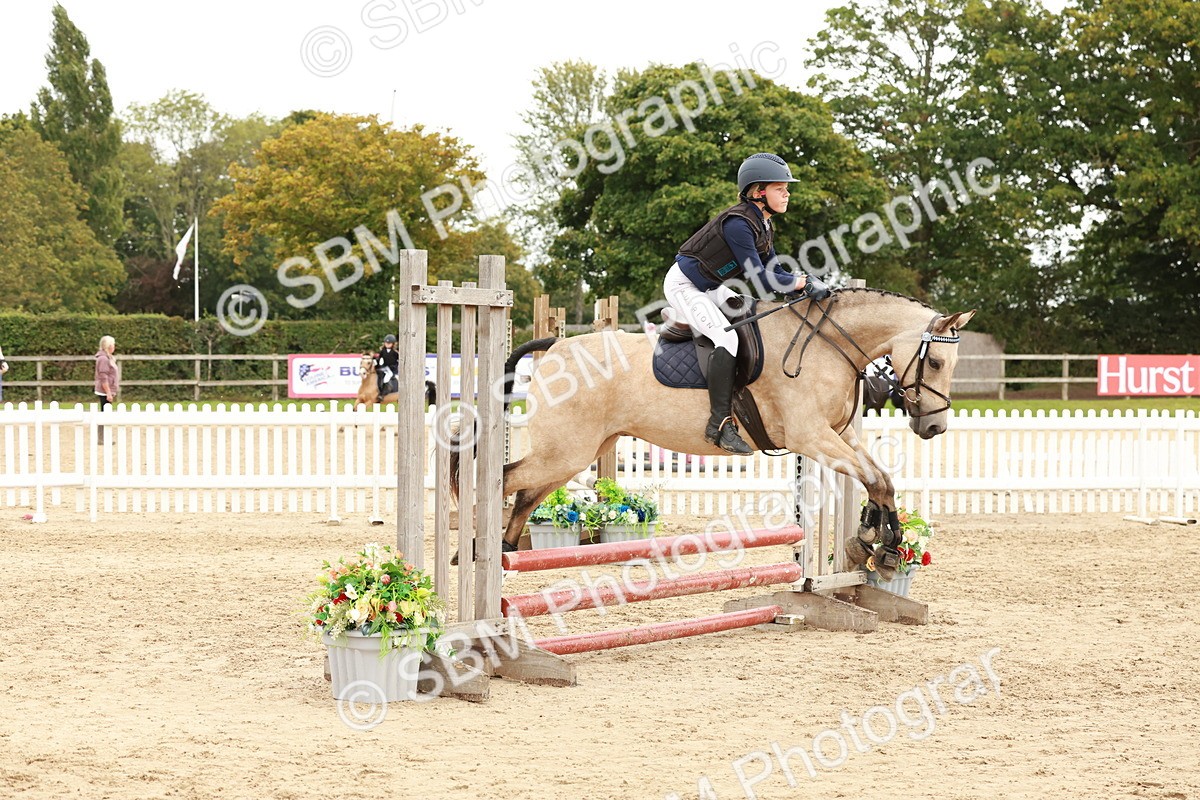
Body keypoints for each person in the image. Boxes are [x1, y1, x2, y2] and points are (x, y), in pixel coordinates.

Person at [665, 152, 831, 454]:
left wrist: (802, 282)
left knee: (751, 315)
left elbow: (775, 271)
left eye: (786, 188)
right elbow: (762, 279)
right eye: (781, 188)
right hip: (685, 286)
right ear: (759, 192)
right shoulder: (739, 224)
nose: (788, 194)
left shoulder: (763, 225)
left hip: (711, 287)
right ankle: (719, 424)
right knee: (726, 337)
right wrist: (803, 282)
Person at [94, 335, 120, 443]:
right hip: (105, 390)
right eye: (113, 344)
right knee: (105, 413)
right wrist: (108, 392)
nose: (114, 346)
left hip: (108, 390)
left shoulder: (108, 357)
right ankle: (102, 438)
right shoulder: (103, 359)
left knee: (105, 413)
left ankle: (104, 437)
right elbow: (103, 377)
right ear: (109, 346)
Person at [374, 334, 399, 398]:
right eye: (386, 343)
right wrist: (376, 362)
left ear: (393, 344)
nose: (387, 344)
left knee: (386, 378)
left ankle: (382, 394)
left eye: (389, 343)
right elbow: (379, 359)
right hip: (384, 367)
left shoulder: (395, 353)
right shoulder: (383, 351)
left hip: (392, 369)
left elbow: (398, 361)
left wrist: (395, 366)